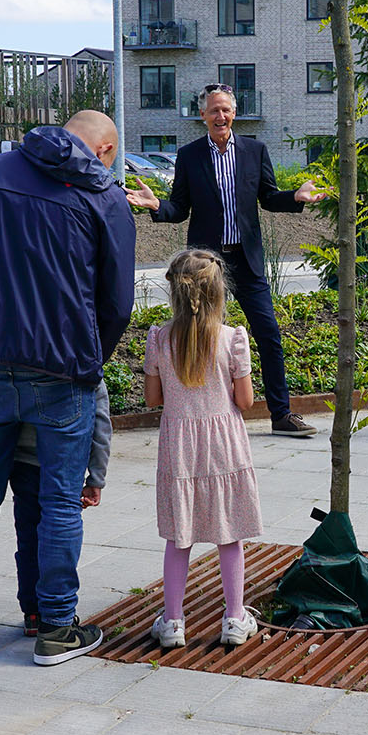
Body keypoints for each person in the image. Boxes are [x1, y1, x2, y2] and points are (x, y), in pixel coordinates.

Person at [0, 109, 135, 666]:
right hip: (61, 368)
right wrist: (88, 352)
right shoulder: (103, 195)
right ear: (102, 151)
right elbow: (117, 299)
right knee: (59, 503)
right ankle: (55, 628)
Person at [124, 83, 328, 438]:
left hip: (246, 261)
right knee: (199, 336)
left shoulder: (254, 150)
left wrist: (295, 197)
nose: (221, 116)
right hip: (206, 267)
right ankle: (200, 411)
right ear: (202, 115)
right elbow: (179, 208)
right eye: (214, 110)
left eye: (227, 110)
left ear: (235, 113)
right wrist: (156, 205)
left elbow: (267, 197)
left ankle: (281, 414)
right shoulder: (189, 156)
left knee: (269, 334)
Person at [143, 248, 263, 648]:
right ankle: (234, 618)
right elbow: (245, 402)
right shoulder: (233, 339)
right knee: (229, 536)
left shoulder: (159, 338)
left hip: (179, 444)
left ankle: (173, 622)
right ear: (218, 292)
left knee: (180, 537)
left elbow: (152, 399)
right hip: (224, 445)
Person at [0, 379, 113, 638]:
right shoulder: (74, 347)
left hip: (15, 454)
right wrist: (96, 476)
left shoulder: (0, 341)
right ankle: (56, 625)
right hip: (55, 450)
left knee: (15, 529)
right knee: (57, 515)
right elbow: (100, 418)